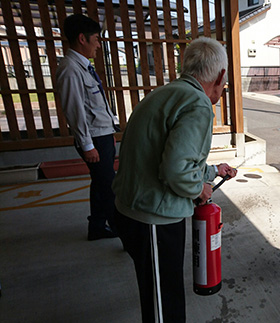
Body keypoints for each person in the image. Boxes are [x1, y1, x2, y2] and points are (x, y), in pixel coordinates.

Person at [112, 37, 237, 323]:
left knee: (160, 293)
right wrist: (199, 189)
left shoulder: (166, 94)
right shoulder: (199, 104)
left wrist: (213, 171)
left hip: (132, 210)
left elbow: (168, 155)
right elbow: (176, 171)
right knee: (163, 304)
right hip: (152, 218)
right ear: (219, 76)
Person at [56, 14, 118, 241]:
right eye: (96, 39)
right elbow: (75, 112)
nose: (99, 45)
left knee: (100, 183)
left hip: (101, 135)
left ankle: (98, 227)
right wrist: (88, 145)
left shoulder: (83, 67)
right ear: (82, 39)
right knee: (110, 187)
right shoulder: (70, 69)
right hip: (93, 139)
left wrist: (108, 133)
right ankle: (124, 231)